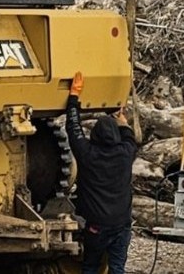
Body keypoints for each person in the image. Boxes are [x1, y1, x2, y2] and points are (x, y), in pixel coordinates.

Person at [66, 71, 139, 274]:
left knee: (90, 266)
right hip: (121, 225)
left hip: (96, 226)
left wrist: (73, 98)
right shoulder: (126, 153)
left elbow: (73, 128)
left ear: (95, 135)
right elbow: (129, 137)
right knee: (117, 268)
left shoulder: (87, 154)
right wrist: (122, 120)